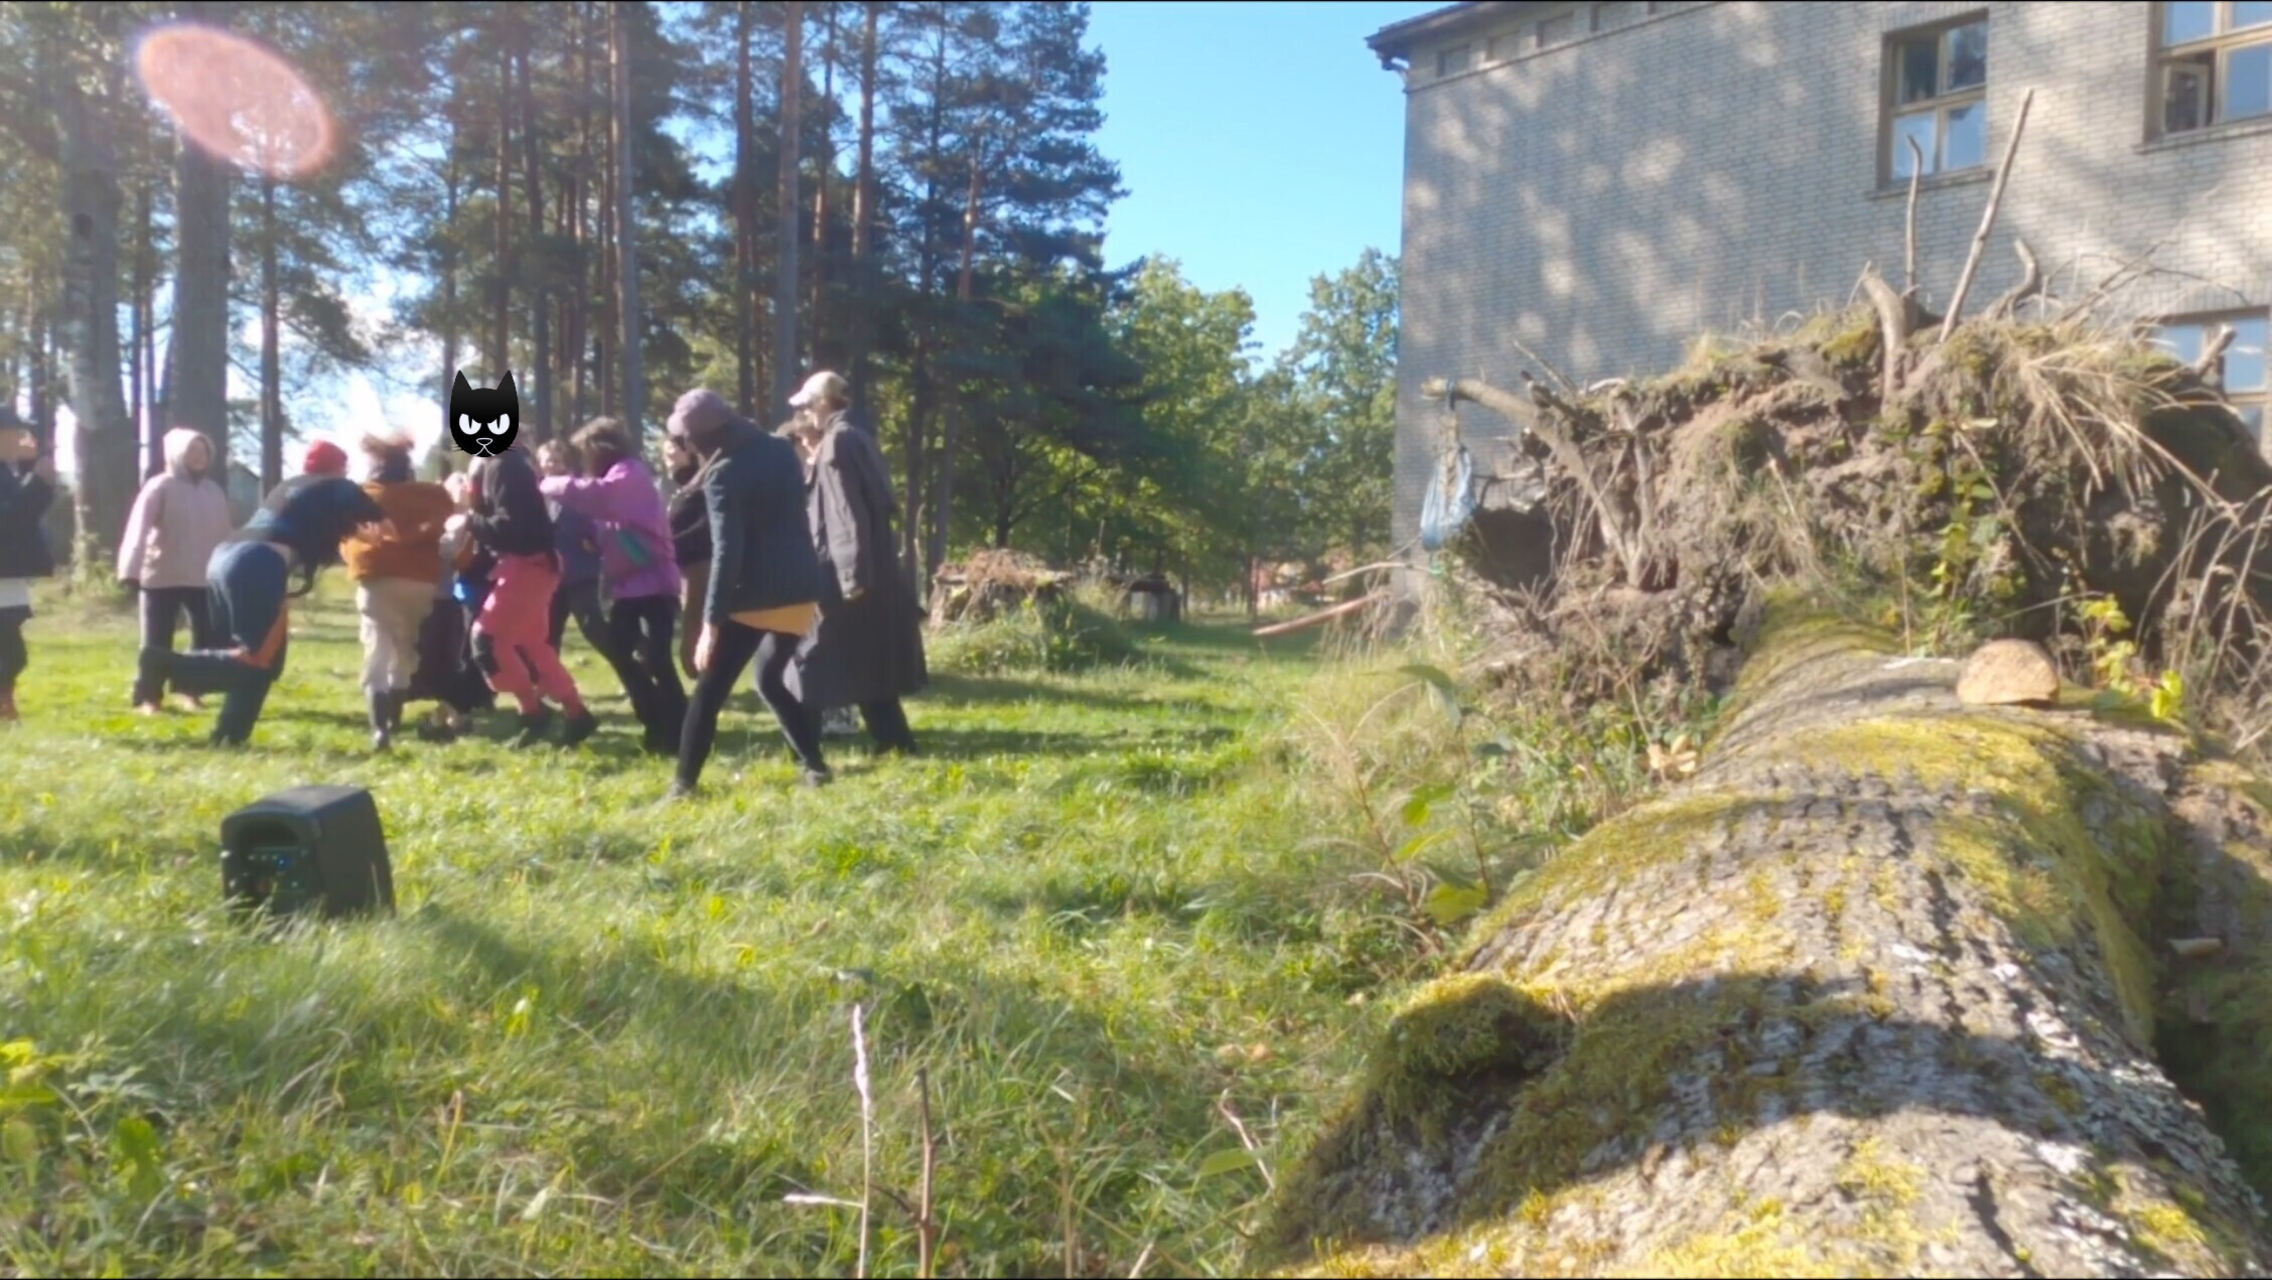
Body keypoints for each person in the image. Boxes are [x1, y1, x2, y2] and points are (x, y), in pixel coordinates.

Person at [136, 476, 388, 747]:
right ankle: (166, 665)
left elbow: (340, 527)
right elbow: (382, 522)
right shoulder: (336, 486)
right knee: (257, 659)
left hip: (226, 557)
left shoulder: (294, 491)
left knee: (264, 662)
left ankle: (229, 736)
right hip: (256, 563)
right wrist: (388, 528)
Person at [668, 388, 830, 799]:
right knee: (769, 679)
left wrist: (710, 624)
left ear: (700, 437)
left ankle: (683, 786)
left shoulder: (723, 474)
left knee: (708, 693)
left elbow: (728, 551)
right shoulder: (780, 449)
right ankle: (816, 766)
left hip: (755, 596)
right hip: (801, 586)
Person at [782, 370, 927, 755]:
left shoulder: (837, 442)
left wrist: (851, 577)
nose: (805, 414)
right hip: (866, 569)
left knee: (811, 658)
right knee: (865, 662)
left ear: (823, 402)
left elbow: (846, 514)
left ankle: (803, 749)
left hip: (843, 573)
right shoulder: (858, 436)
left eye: (807, 405)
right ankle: (895, 742)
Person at [538, 419, 687, 755]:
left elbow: (598, 497)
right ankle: (655, 719)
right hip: (628, 587)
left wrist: (548, 483)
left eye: (586, 451)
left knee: (657, 658)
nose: (584, 459)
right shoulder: (616, 477)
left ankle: (679, 728)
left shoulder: (630, 473)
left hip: (654, 584)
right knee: (622, 652)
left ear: (600, 449)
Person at [448, 441, 599, 749]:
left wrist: (468, 518)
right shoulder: (507, 464)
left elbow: (509, 529)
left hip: (528, 566)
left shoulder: (504, 466)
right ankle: (575, 713)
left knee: (488, 641)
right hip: (535, 565)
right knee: (531, 645)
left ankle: (535, 714)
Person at [341, 433, 455, 750]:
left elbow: (346, 535)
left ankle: (380, 729)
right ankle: (394, 719)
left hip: (377, 577)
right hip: (421, 581)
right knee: (405, 648)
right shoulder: (432, 497)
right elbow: (447, 520)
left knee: (378, 648)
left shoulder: (364, 497)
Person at [117, 427, 236, 715]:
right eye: (191, 450)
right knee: (156, 641)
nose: (198, 456)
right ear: (177, 454)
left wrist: (230, 568)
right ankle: (150, 698)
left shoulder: (213, 491)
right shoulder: (160, 486)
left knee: (204, 639)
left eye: (203, 451)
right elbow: (138, 529)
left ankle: (191, 691)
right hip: (162, 576)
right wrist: (130, 569)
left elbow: (225, 533)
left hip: (203, 577)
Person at [409, 468, 497, 740]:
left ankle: (455, 711)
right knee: (465, 654)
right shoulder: (449, 520)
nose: (462, 490)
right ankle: (455, 712)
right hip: (457, 593)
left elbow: (458, 558)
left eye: (465, 484)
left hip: (469, 591)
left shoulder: (476, 518)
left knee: (470, 654)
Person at [0, 424, 57, 724]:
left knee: (12, 652)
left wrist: (36, 478)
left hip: (8, 575)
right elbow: (10, 520)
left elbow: (24, 513)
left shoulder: (7, 471)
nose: (18, 440)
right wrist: (38, 483)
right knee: (9, 651)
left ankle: (5, 702)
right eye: (11, 434)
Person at [537, 439, 610, 661]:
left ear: (565, 463)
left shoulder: (576, 489)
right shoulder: (536, 494)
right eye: (548, 460)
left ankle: (634, 665)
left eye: (556, 460)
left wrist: (595, 541)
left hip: (580, 573)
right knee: (547, 636)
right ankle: (547, 680)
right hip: (550, 577)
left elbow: (598, 521)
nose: (552, 465)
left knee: (594, 629)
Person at [663, 429, 712, 682]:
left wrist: (667, 544)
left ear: (689, 452)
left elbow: (703, 526)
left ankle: (701, 674)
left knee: (695, 619)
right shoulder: (684, 488)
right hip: (684, 564)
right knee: (690, 619)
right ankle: (699, 674)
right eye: (664, 456)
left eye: (672, 454)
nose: (667, 460)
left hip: (699, 562)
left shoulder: (701, 486)